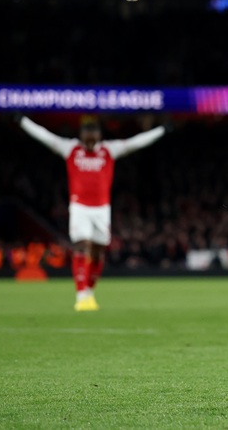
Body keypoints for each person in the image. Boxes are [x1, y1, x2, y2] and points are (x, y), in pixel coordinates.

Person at [19, 115, 166, 311]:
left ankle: (89, 292)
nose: (90, 135)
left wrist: (161, 130)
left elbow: (135, 143)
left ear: (98, 134)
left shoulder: (108, 150)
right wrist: (22, 121)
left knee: (97, 252)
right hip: (80, 207)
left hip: (102, 210)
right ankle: (81, 296)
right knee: (82, 245)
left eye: (93, 131)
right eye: (86, 132)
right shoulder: (70, 149)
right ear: (81, 134)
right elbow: (44, 136)